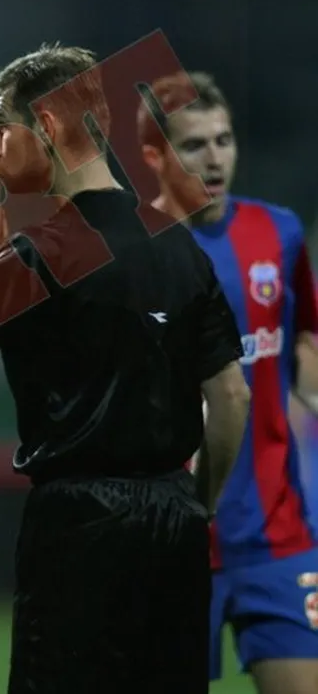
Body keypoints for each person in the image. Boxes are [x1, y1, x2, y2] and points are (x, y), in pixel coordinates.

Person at [0, 44, 251, 693]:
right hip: (174, 523)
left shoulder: (34, 256)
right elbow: (231, 399)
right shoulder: (179, 246)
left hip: (78, 526)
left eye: (2, 126)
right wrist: (196, 506)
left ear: (47, 126)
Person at [139, 71, 318, 694]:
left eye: (224, 139)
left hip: (278, 535)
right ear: (155, 156)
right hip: (174, 543)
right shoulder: (136, 252)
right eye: (194, 144)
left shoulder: (280, 232)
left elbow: (301, 343)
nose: (215, 158)